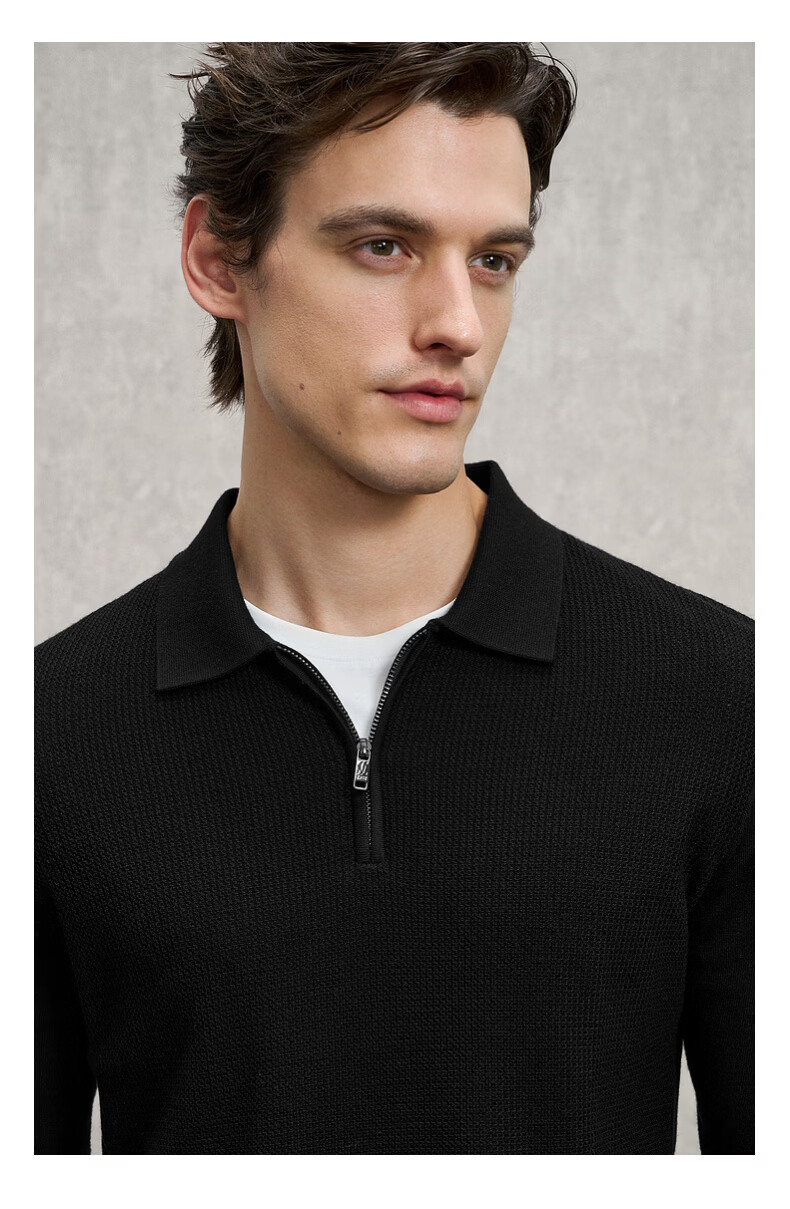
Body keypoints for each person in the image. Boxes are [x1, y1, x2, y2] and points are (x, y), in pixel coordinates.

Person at [34, 42, 754, 1155]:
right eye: (384, 246)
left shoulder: (723, 697)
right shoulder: (46, 734)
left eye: (494, 260)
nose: (457, 324)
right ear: (220, 261)